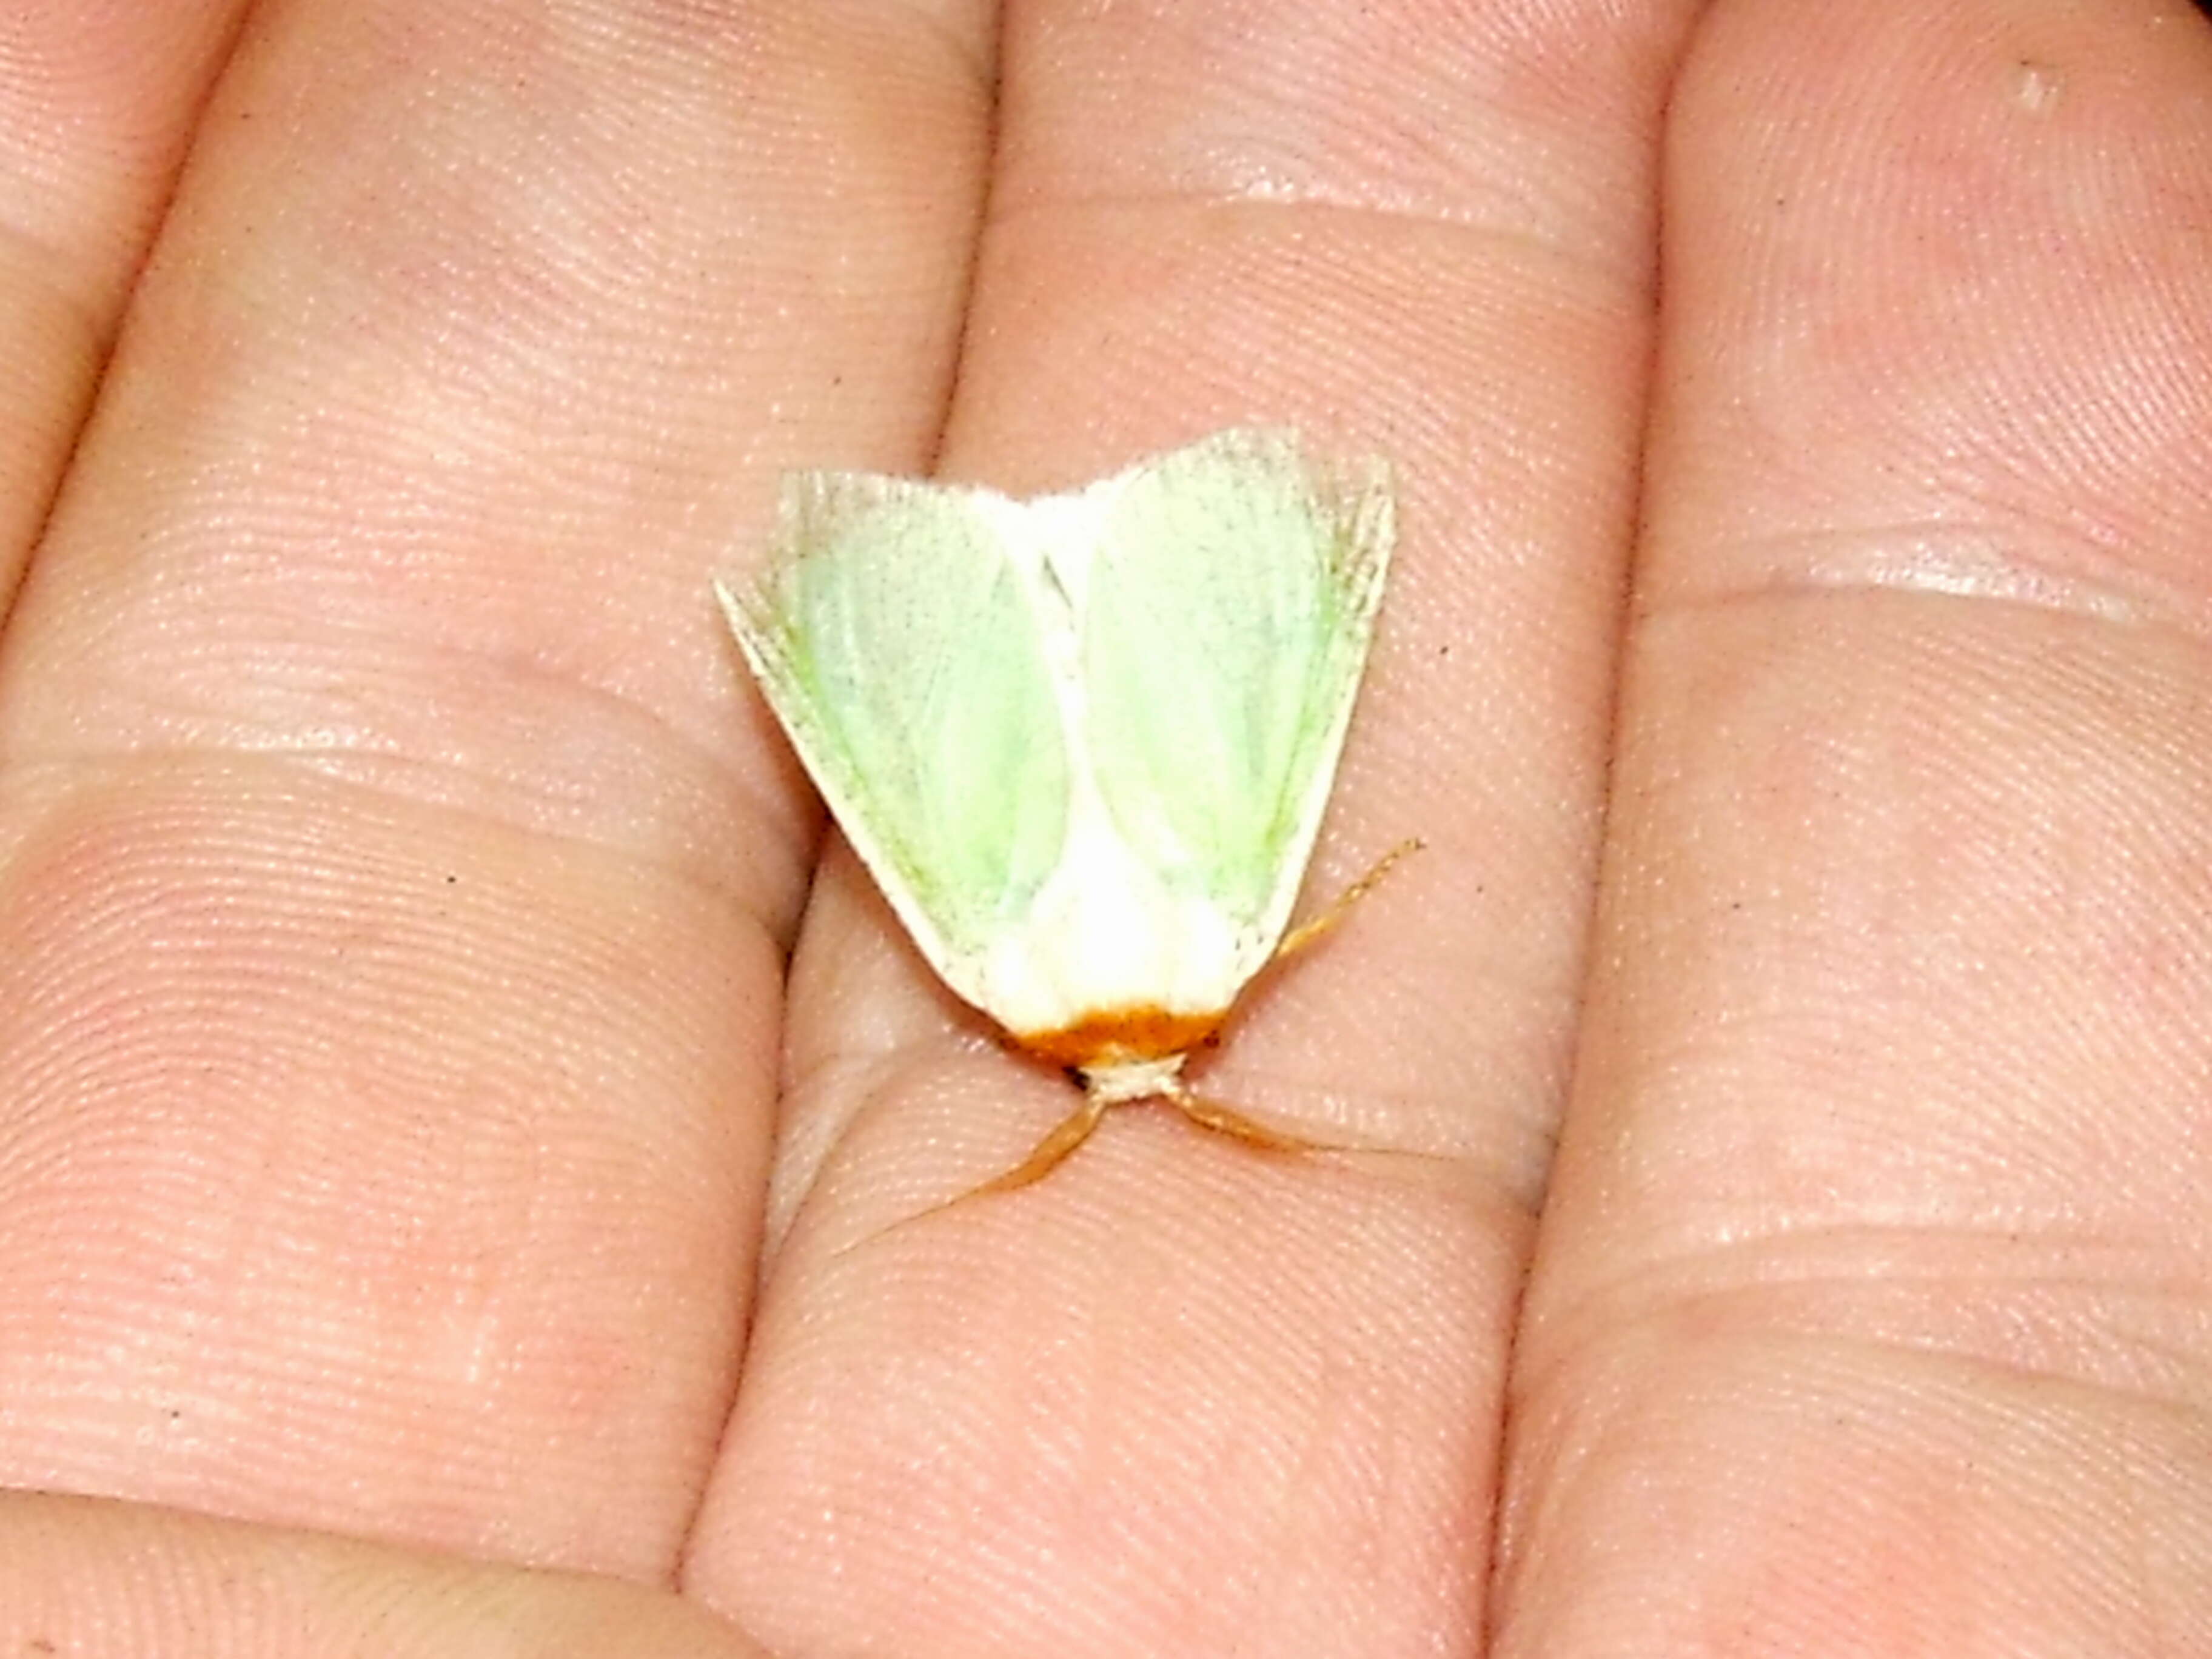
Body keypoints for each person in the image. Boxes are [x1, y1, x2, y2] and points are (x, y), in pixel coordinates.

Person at [3, 0, 2208, 1651]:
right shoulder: (1153, 964)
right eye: (1125, 1085)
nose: (1146, 1082)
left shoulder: (1021, 981)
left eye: (1124, 1083)